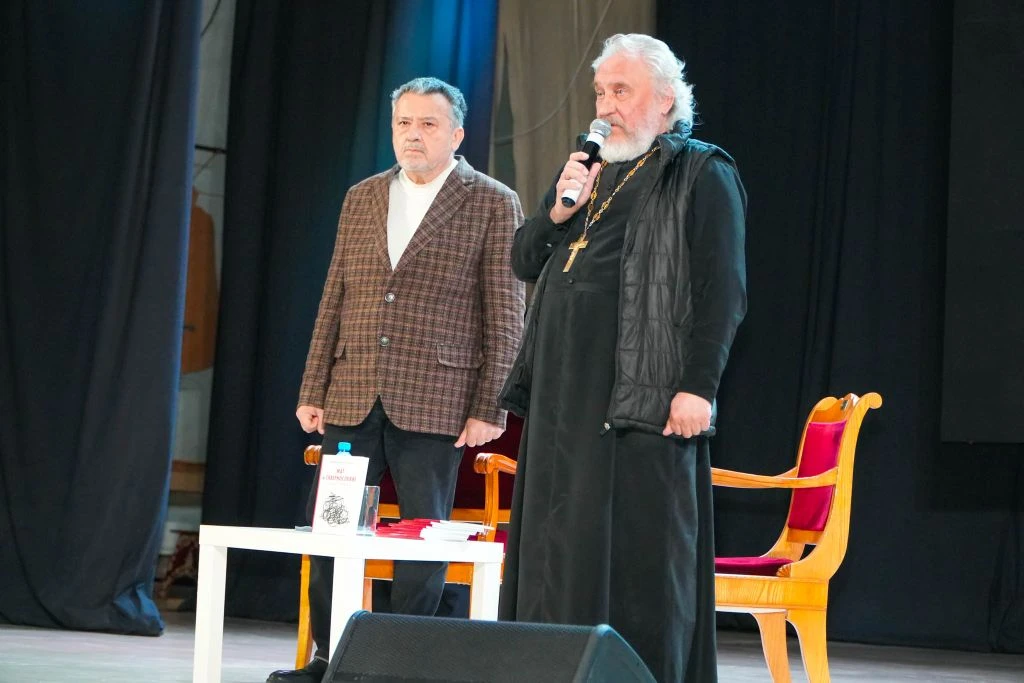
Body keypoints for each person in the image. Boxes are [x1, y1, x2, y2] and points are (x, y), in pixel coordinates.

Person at [498, 34, 747, 683]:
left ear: (665, 100)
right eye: (599, 92)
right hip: (561, 398)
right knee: (558, 551)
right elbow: (524, 259)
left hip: (640, 398)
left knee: (634, 564)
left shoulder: (700, 173)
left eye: (621, 91)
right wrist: (560, 209)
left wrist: (699, 386)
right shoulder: (588, 170)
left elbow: (723, 292)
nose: (604, 106)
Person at [268, 77, 525, 683]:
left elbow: (506, 312)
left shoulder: (492, 202)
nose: (413, 134)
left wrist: (490, 406)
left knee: (421, 545)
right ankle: (330, 662)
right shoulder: (362, 196)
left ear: (457, 134)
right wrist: (312, 387)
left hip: (436, 398)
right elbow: (334, 295)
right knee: (333, 533)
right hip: (353, 392)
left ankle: (405, 667)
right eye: (403, 123)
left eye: (428, 124)